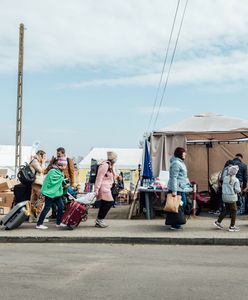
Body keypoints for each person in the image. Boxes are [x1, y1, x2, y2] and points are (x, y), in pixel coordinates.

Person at [36, 157, 69, 229]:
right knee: (47, 208)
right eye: (63, 165)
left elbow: (59, 182)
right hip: (50, 194)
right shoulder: (52, 171)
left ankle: (58, 223)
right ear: (60, 165)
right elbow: (47, 182)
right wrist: (43, 191)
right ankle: (39, 224)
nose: (65, 167)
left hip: (57, 193)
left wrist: (65, 184)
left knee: (61, 207)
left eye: (65, 165)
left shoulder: (61, 172)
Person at [45, 147, 75, 219]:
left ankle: (61, 215)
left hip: (64, 182)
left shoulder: (68, 160)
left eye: (59, 153)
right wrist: (51, 162)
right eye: (57, 153)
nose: (57, 155)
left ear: (63, 153)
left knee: (62, 199)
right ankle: (54, 214)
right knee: (53, 197)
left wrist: (73, 183)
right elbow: (48, 169)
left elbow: (72, 172)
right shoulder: (55, 160)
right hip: (55, 183)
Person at [166, 147, 191, 230]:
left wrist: (188, 184)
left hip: (181, 188)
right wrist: (174, 191)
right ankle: (175, 224)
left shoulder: (180, 163)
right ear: (180, 154)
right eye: (184, 153)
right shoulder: (176, 163)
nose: (185, 155)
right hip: (177, 189)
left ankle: (176, 223)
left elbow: (183, 176)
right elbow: (174, 178)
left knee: (180, 206)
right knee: (177, 206)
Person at [214, 165, 241, 232]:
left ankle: (218, 222)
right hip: (232, 197)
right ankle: (232, 226)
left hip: (224, 197)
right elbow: (237, 190)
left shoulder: (225, 178)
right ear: (235, 172)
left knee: (227, 209)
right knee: (234, 211)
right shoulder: (236, 180)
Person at [94, 151, 118, 228]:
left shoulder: (111, 165)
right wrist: (96, 189)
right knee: (109, 202)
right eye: (115, 158)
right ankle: (100, 220)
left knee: (105, 203)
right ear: (113, 158)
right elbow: (99, 177)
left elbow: (111, 175)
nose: (116, 159)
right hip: (103, 187)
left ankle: (99, 220)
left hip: (107, 187)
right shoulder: (105, 165)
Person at [29, 150, 46, 222]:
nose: (44, 158)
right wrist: (43, 162)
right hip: (37, 183)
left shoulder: (35, 161)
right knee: (41, 199)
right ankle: (38, 217)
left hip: (35, 183)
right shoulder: (35, 161)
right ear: (40, 155)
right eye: (44, 156)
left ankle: (32, 217)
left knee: (33, 200)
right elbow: (41, 170)